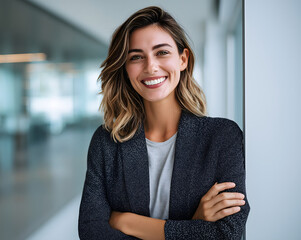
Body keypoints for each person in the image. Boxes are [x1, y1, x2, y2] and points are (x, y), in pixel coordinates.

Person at [78, 6, 249, 240]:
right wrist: (193, 225)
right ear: (126, 68)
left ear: (183, 59)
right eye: (136, 57)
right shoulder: (107, 142)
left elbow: (226, 233)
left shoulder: (222, 136)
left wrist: (125, 221)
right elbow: (92, 232)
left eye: (161, 53)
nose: (150, 67)